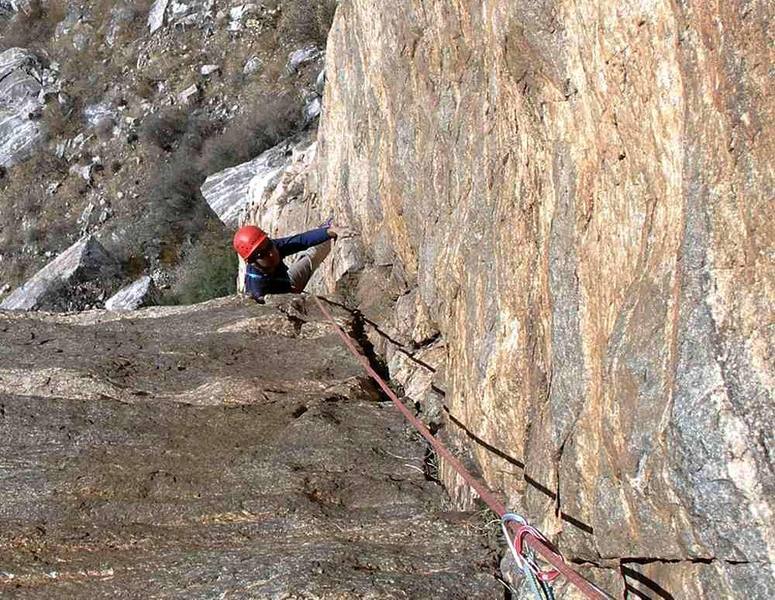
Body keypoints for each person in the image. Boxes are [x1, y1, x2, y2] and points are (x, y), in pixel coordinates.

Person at [232, 223, 338, 302]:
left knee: (316, 252)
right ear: (252, 262)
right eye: (261, 254)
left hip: (289, 284)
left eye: (269, 245)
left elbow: (300, 241)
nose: (271, 253)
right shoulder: (257, 289)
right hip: (285, 299)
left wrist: (328, 232)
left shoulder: (271, 247)